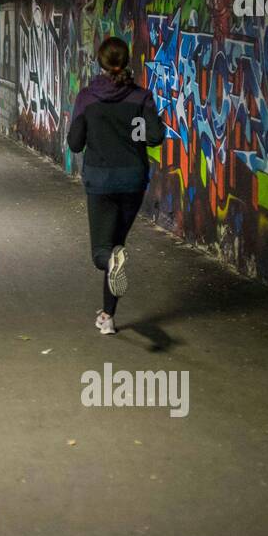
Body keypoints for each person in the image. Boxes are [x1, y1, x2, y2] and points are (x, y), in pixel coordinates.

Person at [67, 37, 164, 335]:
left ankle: (110, 280)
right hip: (132, 181)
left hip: (100, 182)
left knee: (103, 253)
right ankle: (107, 317)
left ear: (100, 62)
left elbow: (74, 143)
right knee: (117, 247)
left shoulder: (87, 97)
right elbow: (155, 137)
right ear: (126, 60)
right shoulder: (142, 97)